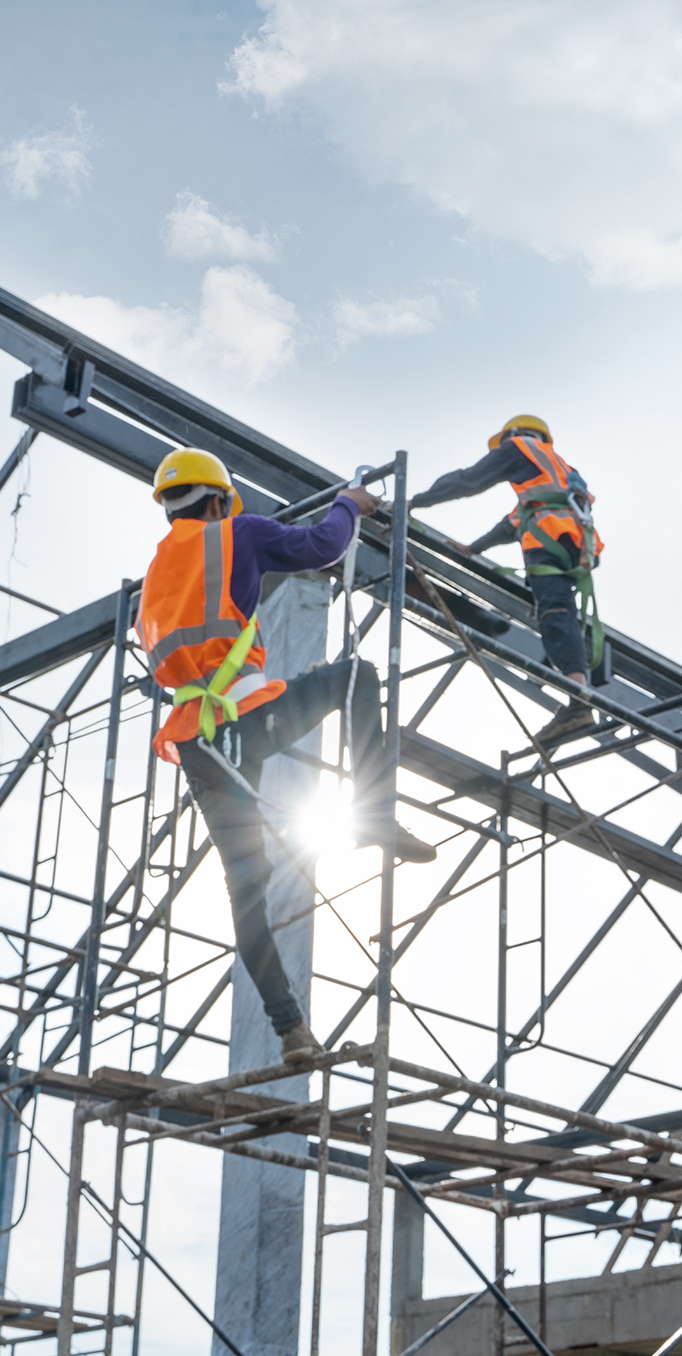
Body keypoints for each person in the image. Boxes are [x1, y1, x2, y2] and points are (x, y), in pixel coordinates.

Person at [137, 448, 435, 1062]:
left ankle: (291, 1032)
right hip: (246, 710)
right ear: (219, 499)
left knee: (245, 887)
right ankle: (373, 812)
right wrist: (348, 506)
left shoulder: (157, 571)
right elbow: (322, 548)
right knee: (357, 676)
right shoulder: (236, 533)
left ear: (169, 506)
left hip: (198, 739)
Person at [411, 414, 603, 746]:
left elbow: (469, 480)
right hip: (574, 543)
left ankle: (578, 698)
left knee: (555, 612)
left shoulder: (518, 447)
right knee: (556, 607)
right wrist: (473, 548)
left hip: (549, 540)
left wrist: (416, 500)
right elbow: (513, 522)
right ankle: (577, 695)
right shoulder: (560, 473)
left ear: (514, 435)